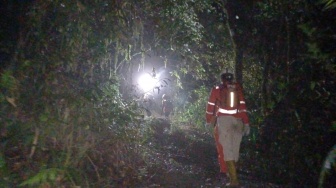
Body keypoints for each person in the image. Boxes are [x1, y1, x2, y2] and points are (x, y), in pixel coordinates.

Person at [205, 70, 250, 187]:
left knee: (227, 150)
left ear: (222, 79)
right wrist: (246, 123)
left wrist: (208, 120)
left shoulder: (217, 89)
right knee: (235, 151)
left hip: (224, 122)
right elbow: (243, 106)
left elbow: (210, 106)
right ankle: (232, 177)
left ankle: (234, 181)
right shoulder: (237, 88)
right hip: (238, 121)